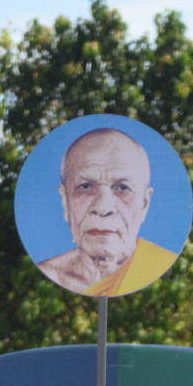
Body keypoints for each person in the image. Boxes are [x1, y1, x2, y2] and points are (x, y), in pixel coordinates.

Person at [35, 126, 177, 299]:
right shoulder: (50, 274)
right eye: (85, 187)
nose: (103, 208)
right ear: (65, 200)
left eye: (123, 188)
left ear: (144, 204)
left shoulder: (163, 269)